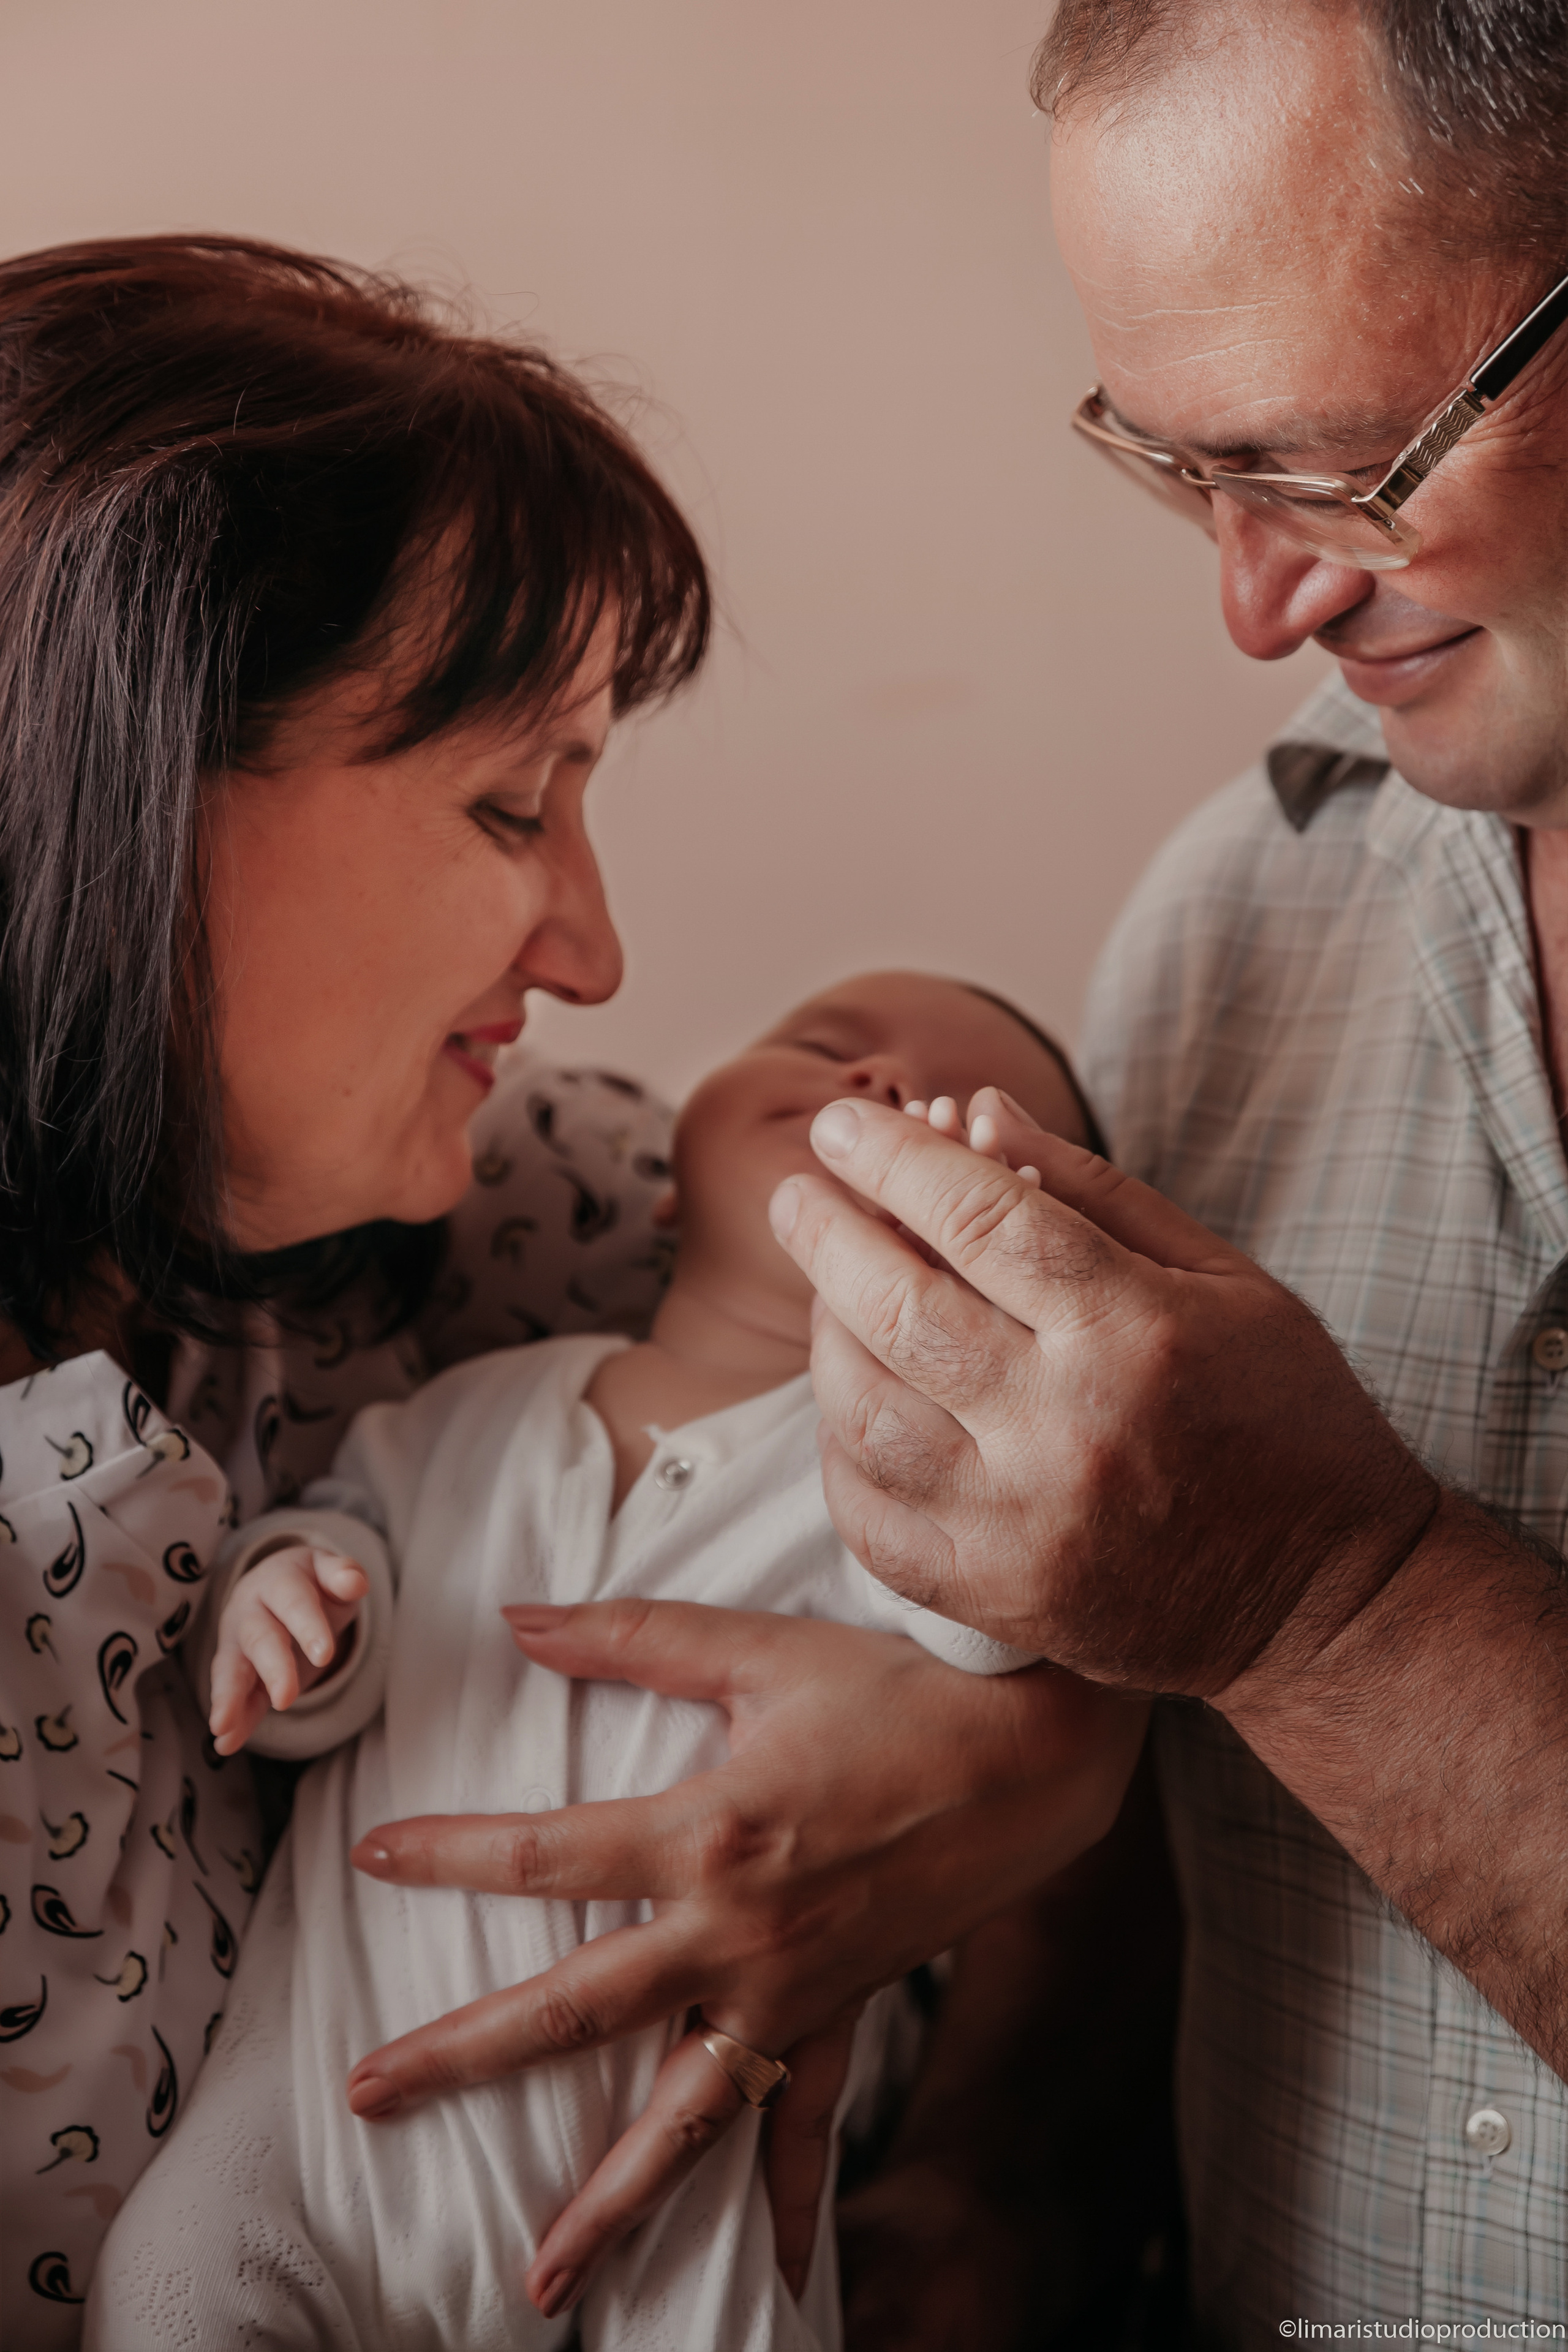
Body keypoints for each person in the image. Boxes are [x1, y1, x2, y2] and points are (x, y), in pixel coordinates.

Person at [328, 3, 1568, 2341]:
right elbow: (1184, 1784)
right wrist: (999, 2157)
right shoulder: (1237, 922)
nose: (1256, 607)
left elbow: (1260, 1619)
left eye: (1336, 463)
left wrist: (1337, 1597)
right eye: (1172, 463)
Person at [0, 230, 715, 2345]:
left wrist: (961, 1778)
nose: (592, 952)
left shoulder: (544, 1234)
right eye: (513, 801)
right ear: (112, 793)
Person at [85, 971, 1136, 2351]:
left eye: (964, 1129)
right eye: (823, 1044)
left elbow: (1016, 1625)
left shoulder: (918, 1496)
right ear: (659, 1193)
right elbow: (337, 1573)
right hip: (319, 2128)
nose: (881, 1086)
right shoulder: (458, 1411)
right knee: (164, 2284)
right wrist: (286, 1610)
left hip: (683, 2203)